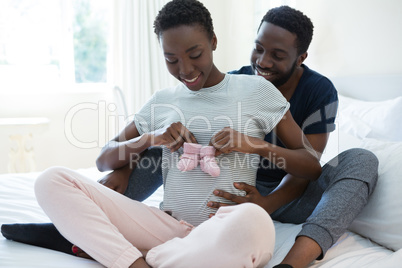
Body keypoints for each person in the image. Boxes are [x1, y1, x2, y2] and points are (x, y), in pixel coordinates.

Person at [1, 4, 378, 268]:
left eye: (195, 53)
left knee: (253, 224)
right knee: (51, 179)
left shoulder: (258, 91)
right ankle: (135, 260)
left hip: (235, 217)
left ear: (213, 41)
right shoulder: (162, 100)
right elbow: (103, 157)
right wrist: (148, 141)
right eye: (171, 59)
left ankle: (121, 249)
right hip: (170, 227)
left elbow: (311, 164)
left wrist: (255, 146)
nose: (185, 69)